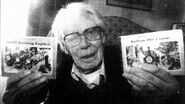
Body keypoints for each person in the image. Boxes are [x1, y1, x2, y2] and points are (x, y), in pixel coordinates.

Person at [2, 2, 181, 104]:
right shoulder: (52, 69)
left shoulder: (130, 66)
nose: (85, 44)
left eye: (92, 32)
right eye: (72, 37)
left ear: (103, 36)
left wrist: (174, 98)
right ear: (64, 46)